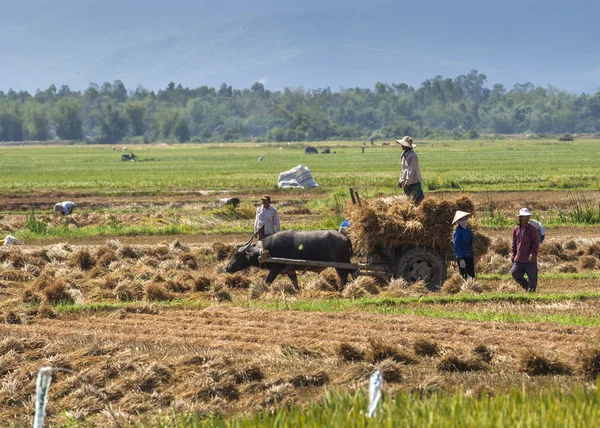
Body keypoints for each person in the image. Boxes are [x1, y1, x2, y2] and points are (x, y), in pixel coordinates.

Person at [511, 208, 540, 292]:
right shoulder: (516, 229)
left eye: (528, 216)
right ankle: (525, 285)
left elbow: (536, 242)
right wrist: (514, 254)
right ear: (520, 218)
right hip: (519, 258)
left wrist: (533, 254)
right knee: (514, 272)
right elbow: (514, 243)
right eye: (525, 216)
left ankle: (531, 291)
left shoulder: (532, 229)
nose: (527, 218)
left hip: (530, 259)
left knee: (532, 277)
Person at [396, 136, 424, 205]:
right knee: (406, 202)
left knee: (418, 201)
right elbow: (403, 169)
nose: (402, 146)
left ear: (407, 146)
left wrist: (407, 183)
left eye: (403, 144)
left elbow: (411, 170)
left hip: (414, 182)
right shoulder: (403, 155)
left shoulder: (413, 156)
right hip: (406, 181)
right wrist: (401, 180)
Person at [452, 210, 475, 279]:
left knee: (471, 276)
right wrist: (461, 259)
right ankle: (465, 289)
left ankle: (471, 289)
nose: (465, 219)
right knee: (464, 276)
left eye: (465, 218)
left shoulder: (467, 229)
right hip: (463, 256)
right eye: (463, 218)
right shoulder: (457, 232)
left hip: (470, 255)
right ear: (459, 221)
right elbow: (456, 245)